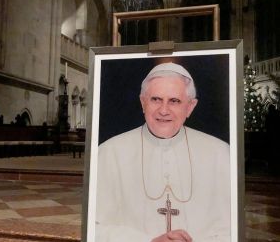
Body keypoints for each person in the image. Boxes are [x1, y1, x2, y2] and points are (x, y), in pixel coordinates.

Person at [96, 62, 231, 242]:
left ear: (190, 107)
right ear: (143, 103)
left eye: (174, 101)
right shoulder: (109, 153)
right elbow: (94, 228)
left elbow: (231, 229)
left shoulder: (220, 154)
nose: (164, 110)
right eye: (156, 99)